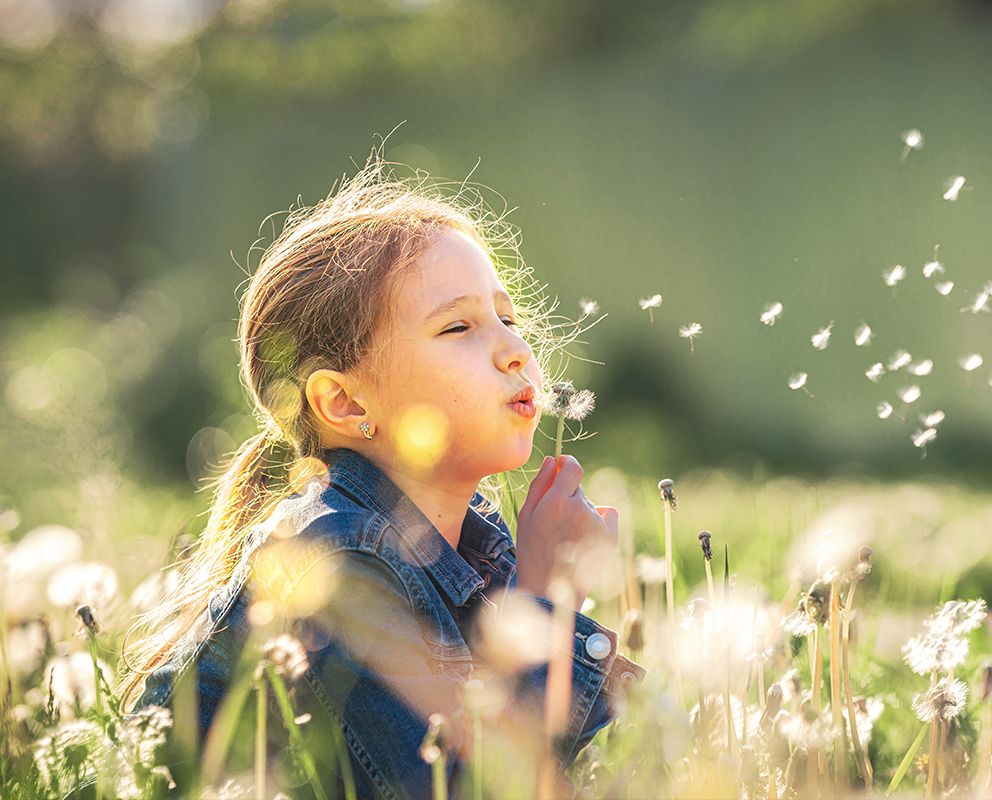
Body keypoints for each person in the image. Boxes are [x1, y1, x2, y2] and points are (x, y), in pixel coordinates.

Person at [116, 153, 644, 799]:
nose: (516, 350)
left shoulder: (469, 549)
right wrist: (548, 597)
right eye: (458, 326)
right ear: (345, 404)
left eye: (508, 318)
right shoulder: (335, 563)